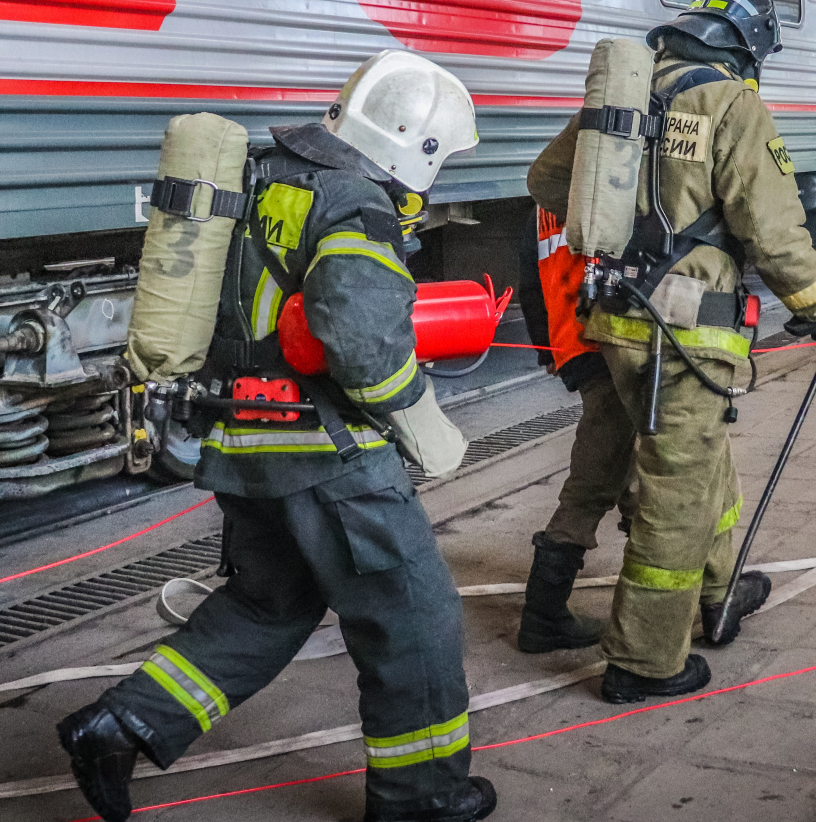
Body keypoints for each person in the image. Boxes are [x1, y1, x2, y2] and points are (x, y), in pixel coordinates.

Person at [57, 51, 496, 822]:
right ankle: (419, 796)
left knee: (271, 603)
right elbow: (361, 342)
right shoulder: (354, 202)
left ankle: (122, 723)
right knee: (413, 614)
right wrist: (419, 416)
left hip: (244, 439)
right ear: (411, 143)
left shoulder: (263, 175)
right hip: (329, 453)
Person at [528, 0, 816, 703]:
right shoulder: (731, 104)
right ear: (749, 48)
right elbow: (773, 230)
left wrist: (638, 215)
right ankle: (643, 661)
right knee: (677, 490)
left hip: (610, 317)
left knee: (699, 468)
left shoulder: (627, 90)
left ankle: (717, 596)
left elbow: (548, 180)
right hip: (685, 330)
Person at [516, 208, 635, 653]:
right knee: (601, 476)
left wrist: (546, 347)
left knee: (625, 464)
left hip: (573, 343)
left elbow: (530, 278)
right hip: (613, 342)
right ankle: (544, 616)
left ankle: (697, 593)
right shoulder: (613, 181)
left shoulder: (544, 200)